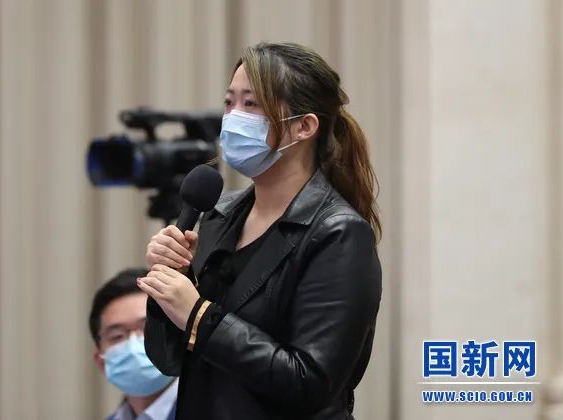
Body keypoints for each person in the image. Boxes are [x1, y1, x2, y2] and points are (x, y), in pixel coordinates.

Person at [138, 41, 382, 419]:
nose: (234, 117)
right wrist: (171, 284)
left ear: (304, 126)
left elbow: (310, 382)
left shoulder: (339, 233)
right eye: (229, 103)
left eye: (251, 104)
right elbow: (168, 361)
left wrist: (199, 315)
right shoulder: (219, 215)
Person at [89, 268, 178, 420]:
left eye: (148, 328)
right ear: (101, 362)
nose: (133, 345)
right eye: (117, 336)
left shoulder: (215, 410)